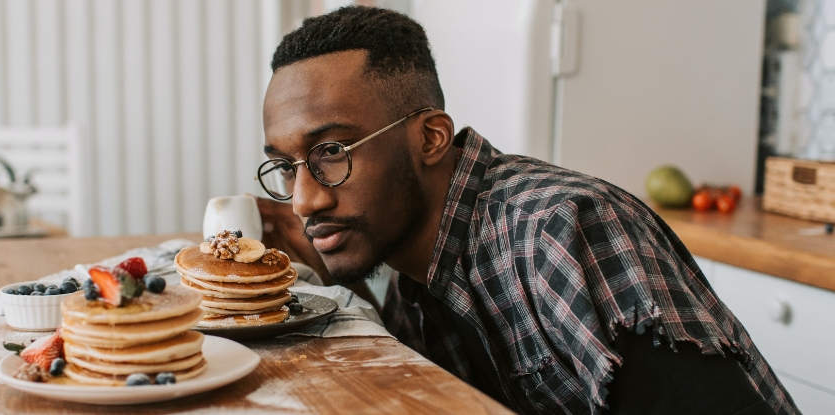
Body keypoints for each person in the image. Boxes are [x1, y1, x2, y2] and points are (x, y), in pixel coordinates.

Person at [253, 6, 798, 415]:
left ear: (431, 138)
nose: (304, 199)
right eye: (286, 166)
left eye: (331, 153)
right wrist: (329, 282)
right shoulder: (410, 269)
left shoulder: (561, 229)